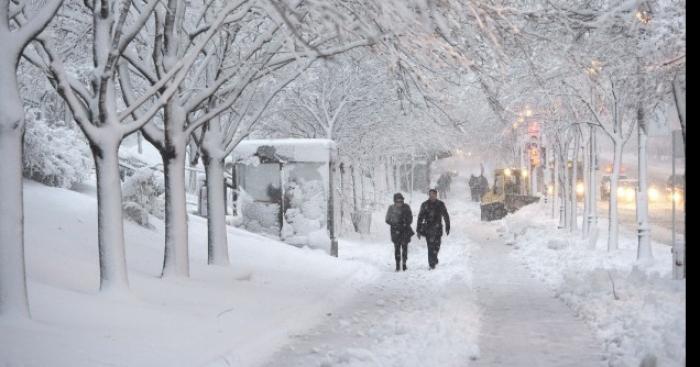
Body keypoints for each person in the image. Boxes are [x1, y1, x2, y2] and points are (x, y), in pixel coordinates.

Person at [416, 189, 450, 270]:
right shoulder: (424, 205)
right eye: (430, 195)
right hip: (428, 229)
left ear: (436, 195)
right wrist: (418, 230)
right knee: (430, 247)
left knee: (437, 247)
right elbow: (420, 218)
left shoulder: (440, 204)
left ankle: (434, 258)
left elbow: (446, 216)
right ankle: (431, 264)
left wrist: (447, 226)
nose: (432, 196)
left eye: (433, 195)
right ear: (429, 195)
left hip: (438, 229)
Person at [385, 193, 414, 272]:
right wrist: (394, 223)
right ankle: (397, 265)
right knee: (397, 249)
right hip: (395, 232)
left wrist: (405, 223)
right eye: (397, 201)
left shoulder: (406, 207)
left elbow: (411, 218)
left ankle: (404, 264)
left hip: (405, 231)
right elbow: (387, 219)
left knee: (405, 248)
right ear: (394, 201)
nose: (399, 203)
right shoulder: (391, 208)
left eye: (401, 201)